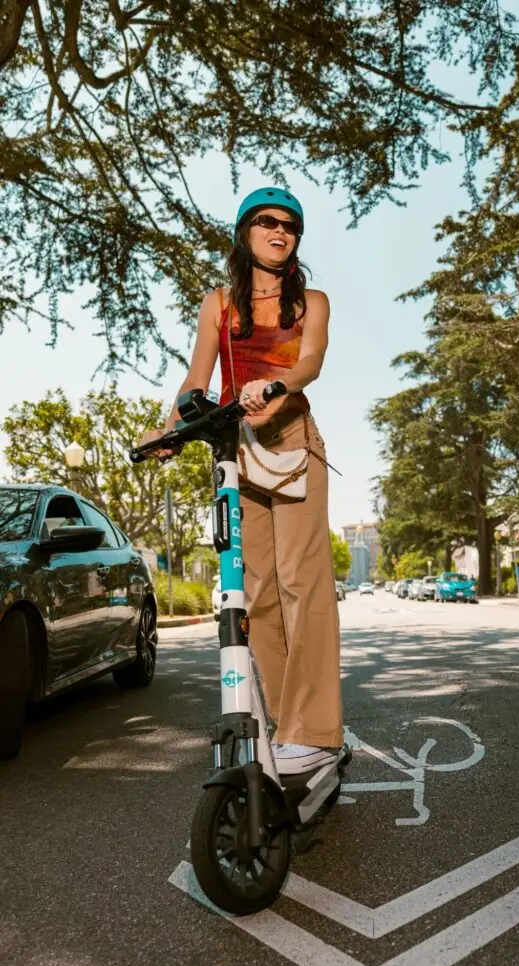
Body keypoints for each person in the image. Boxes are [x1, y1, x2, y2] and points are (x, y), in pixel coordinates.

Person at [139, 187, 343, 774]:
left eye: (291, 226)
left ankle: (318, 731)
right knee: (260, 594)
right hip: (236, 448)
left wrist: (277, 386)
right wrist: (170, 428)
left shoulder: (312, 301)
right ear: (245, 232)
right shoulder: (219, 304)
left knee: (304, 585)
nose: (280, 232)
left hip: (293, 440)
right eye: (267, 222)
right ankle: (289, 726)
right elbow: (196, 377)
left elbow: (310, 362)